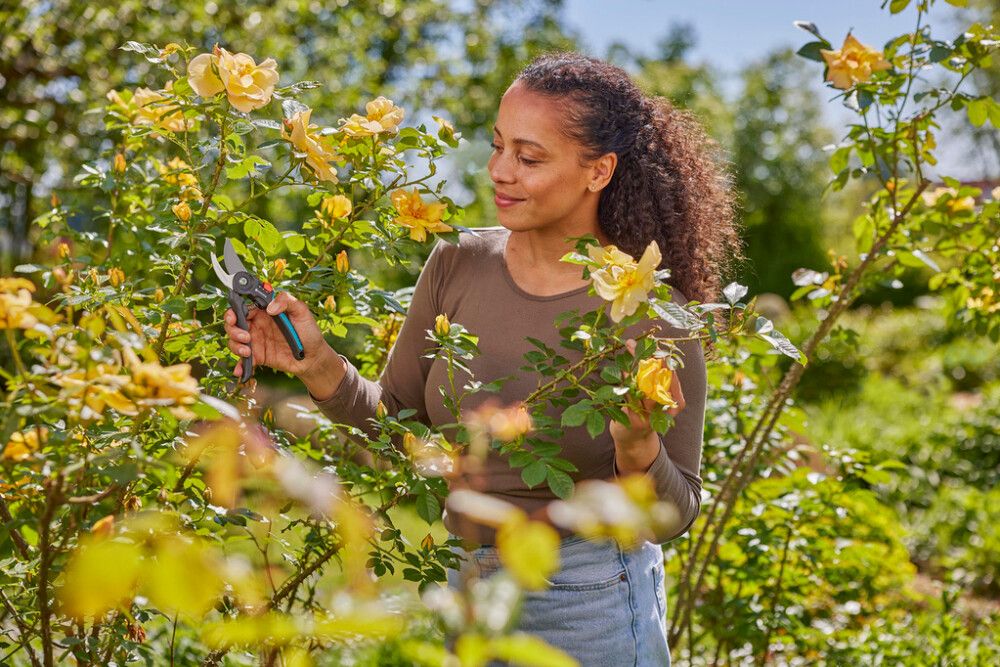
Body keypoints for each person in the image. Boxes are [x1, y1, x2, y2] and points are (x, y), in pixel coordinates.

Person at [225, 52, 740, 667]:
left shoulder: (652, 312)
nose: (499, 171)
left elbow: (673, 515)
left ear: (599, 171)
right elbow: (398, 428)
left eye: (529, 158)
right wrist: (316, 363)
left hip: (589, 602)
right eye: (497, 146)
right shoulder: (456, 264)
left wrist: (637, 450)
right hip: (465, 586)